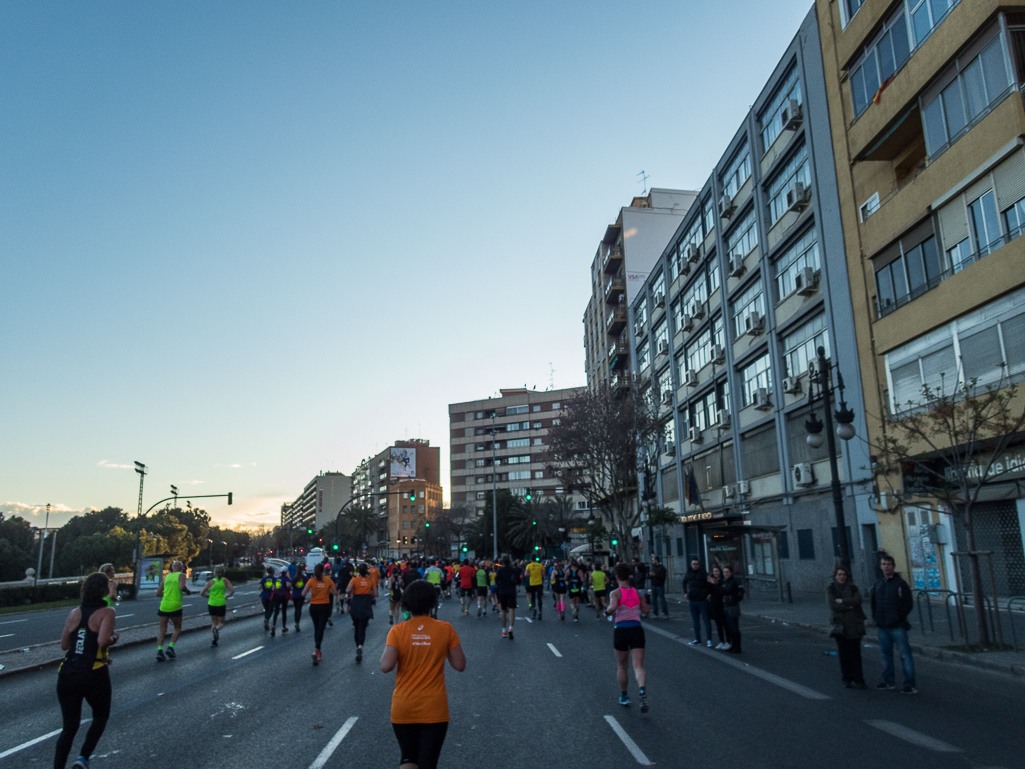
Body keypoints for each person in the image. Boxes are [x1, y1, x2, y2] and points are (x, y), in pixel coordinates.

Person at [381, 580, 466, 769]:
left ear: (407, 603)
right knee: (428, 763)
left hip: (404, 706)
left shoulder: (397, 631)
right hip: (434, 708)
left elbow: (386, 666)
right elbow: (460, 665)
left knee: (408, 757)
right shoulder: (445, 629)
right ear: (433, 603)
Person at [55, 572, 119, 769]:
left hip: (67, 673)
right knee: (100, 716)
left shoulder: (74, 613)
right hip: (94, 672)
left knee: (69, 727)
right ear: (103, 590)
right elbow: (101, 640)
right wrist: (113, 639)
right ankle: (82, 758)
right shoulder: (107, 612)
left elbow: (64, 645)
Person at [604, 562, 650, 712]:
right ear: (629, 576)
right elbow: (646, 610)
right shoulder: (637, 593)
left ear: (616, 577)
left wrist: (607, 612)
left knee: (622, 666)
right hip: (636, 629)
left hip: (621, 630)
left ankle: (624, 696)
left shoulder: (615, 593)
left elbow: (612, 607)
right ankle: (642, 689)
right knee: (638, 666)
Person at [870, 553, 916, 694]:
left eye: (889, 564)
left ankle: (909, 684)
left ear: (893, 567)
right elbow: (874, 603)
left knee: (905, 655)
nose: (886, 567)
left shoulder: (900, 584)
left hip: (897, 626)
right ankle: (888, 681)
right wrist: (877, 618)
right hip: (883, 626)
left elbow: (908, 604)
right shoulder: (878, 584)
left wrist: (899, 618)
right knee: (886, 655)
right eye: (884, 564)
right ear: (880, 566)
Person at [828, 565, 867, 689]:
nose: (842, 577)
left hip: (854, 625)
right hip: (840, 625)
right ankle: (847, 678)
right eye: (839, 574)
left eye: (844, 574)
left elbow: (857, 600)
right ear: (835, 576)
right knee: (844, 654)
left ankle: (859, 678)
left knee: (855, 653)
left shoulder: (853, 587)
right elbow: (833, 605)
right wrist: (848, 606)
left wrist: (843, 601)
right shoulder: (831, 589)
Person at [302, 563, 339, 665]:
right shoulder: (328, 580)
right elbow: (335, 593)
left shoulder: (311, 581)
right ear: (323, 571)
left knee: (316, 627)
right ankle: (316, 649)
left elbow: (303, 593)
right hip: (324, 606)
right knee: (321, 629)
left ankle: (318, 651)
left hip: (314, 606)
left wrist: (313, 593)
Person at [155, 560, 191, 661]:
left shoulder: (166, 577)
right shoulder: (181, 575)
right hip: (175, 605)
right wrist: (188, 592)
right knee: (177, 628)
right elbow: (182, 586)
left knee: (162, 630)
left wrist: (166, 595)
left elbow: (158, 593)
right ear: (181, 568)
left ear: (172, 568)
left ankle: (159, 650)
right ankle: (170, 647)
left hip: (164, 605)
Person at [346, 562, 379, 662]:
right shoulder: (370, 581)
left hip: (356, 603)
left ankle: (357, 646)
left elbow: (347, 590)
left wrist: (352, 593)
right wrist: (369, 592)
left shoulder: (354, 580)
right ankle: (361, 645)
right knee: (363, 628)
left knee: (356, 627)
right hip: (366, 604)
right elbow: (376, 594)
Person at [200, 566, 235, 647]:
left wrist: (207, 596)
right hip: (221, 603)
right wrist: (227, 596)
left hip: (211, 603)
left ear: (214, 573)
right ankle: (216, 630)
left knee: (214, 622)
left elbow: (202, 592)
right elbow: (232, 590)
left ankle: (213, 641)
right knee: (221, 623)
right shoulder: (225, 581)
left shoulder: (211, 582)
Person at [683, 558, 712, 647]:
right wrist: (685, 593)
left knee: (706, 620)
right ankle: (697, 639)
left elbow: (710, 583)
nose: (695, 565)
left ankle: (709, 640)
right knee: (695, 622)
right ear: (691, 565)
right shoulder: (689, 573)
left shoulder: (703, 573)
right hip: (692, 600)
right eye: (693, 564)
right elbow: (684, 582)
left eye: (696, 564)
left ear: (699, 565)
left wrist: (709, 594)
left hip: (702, 600)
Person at [494, 555, 520, 639]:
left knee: (503, 610)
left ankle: (503, 630)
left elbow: (497, 581)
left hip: (502, 591)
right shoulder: (514, 570)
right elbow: (518, 581)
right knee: (512, 609)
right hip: (511, 591)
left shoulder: (500, 571)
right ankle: (511, 627)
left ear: (502, 563)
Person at [720, 565, 744, 654]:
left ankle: (737, 647)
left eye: (727, 572)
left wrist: (717, 585)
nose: (726, 574)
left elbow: (725, 591)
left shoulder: (733, 582)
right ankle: (733, 645)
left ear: (731, 573)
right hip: (726, 605)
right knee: (730, 627)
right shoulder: (724, 581)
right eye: (724, 572)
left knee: (734, 628)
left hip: (733, 606)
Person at [707, 565, 730, 649]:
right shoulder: (712, 581)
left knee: (725, 624)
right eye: (714, 571)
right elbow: (709, 591)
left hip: (722, 604)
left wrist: (715, 584)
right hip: (714, 604)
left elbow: (722, 591)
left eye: (717, 571)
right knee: (718, 624)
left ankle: (728, 641)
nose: (716, 573)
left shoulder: (722, 581)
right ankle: (721, 641)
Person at [269, 567, 291, 637]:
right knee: (284, 611)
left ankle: (273, 625)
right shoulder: (286, 578)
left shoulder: (277, 579)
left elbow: (273, 588)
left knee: (276, 611)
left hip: (277, 596)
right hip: (284, 596)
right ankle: (284, 627)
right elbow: (288, 585)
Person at [290, 566, 307, 632]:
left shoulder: (293, 578)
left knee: (296, 609)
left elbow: (291, 587)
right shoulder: (304, 578)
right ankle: (298, 623)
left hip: (294, 596)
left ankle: (296, 622)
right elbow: (307, 586)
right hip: (301, 596)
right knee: (299, 609)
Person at [259, 566, 276, 631]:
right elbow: (274, 588)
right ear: (273, 572)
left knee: (266, 609)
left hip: (264, 596)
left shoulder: (263, 579)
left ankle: (266, 619)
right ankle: (267, 619)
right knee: (271, 609)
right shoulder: (274, 579)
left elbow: (259, 587)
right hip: (271, 596)